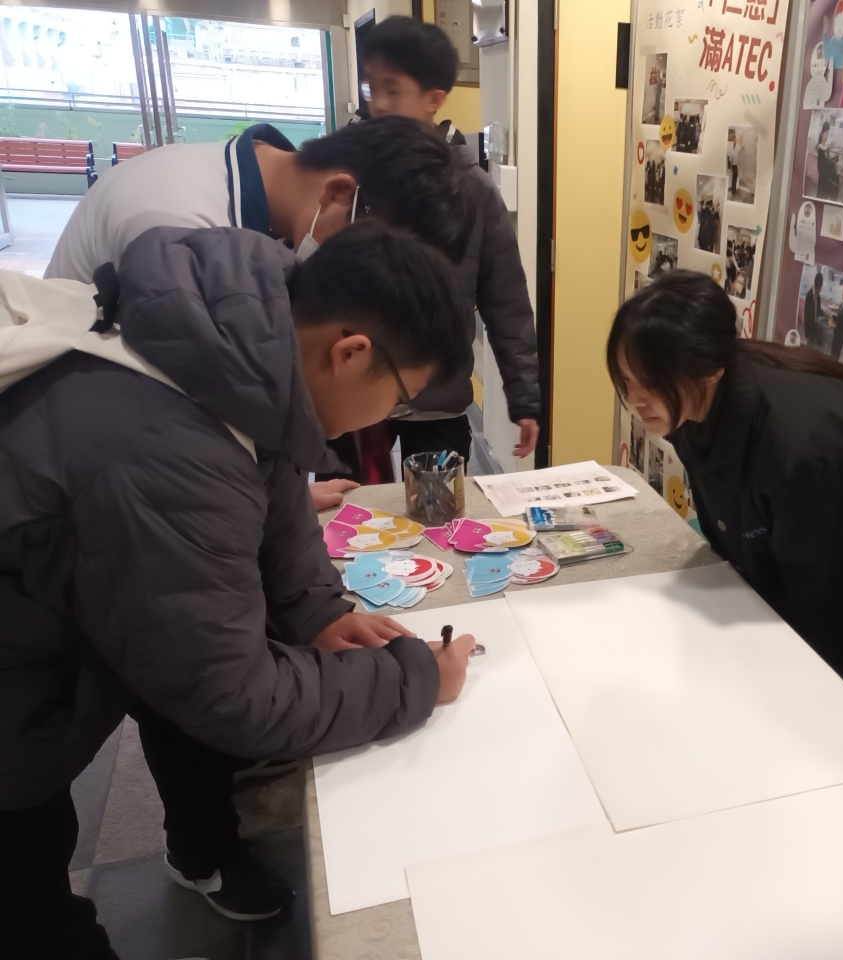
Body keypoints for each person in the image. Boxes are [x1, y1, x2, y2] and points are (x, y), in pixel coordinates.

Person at [0, 222, 478, 958]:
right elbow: (233, 695)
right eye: (401, 398)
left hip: (52, 625)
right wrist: (413, 680)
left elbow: (270, 464)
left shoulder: (238, 336)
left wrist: (317, 612)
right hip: (17, 688)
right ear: (352, 353)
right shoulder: (165, 450)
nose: (390, 417)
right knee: (30, 902)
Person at [44, 113, 471, 510]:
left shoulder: (272, 210)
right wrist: (263, 499)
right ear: (339, 193)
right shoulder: (180, 223)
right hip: (84, 479)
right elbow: (191, 446)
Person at [607, 271, 843, 716]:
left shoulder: (802, 447)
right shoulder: (700, 399)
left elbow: (821, 603)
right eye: (627, 379)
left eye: (652, 383)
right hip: (816, 560)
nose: (636, 399)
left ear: (710, 369)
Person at [360, 16, 541, 466]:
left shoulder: (473, 190)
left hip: (437, 402)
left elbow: (506, 302)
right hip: (355, 402)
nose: (377, 104)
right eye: (371, 88)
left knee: (440, 508)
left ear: (433, 99)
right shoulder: (350, 178)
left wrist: (524, 397)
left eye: (391, 89)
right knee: (353, 509)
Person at [815, 121, 840, 200]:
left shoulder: (826, 147)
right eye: (826, 133)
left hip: (827, 176)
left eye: (828, 133)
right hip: (823, 179)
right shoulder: (820, 149)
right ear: (822, 134)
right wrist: (834, 168)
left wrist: (834, 160)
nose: (827, 136)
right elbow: (821, 168)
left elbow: (827, 161)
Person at [803, 270, 825, 347]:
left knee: (815, 345)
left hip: (815, 324)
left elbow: (818, 310)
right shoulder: (809, 296)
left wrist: (823, 312)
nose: (820, 290)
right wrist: (807, 334)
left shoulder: (818, 296)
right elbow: (807, 316)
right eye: (820, 288)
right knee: (809, 346)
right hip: (809, 327)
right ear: (818, 287)